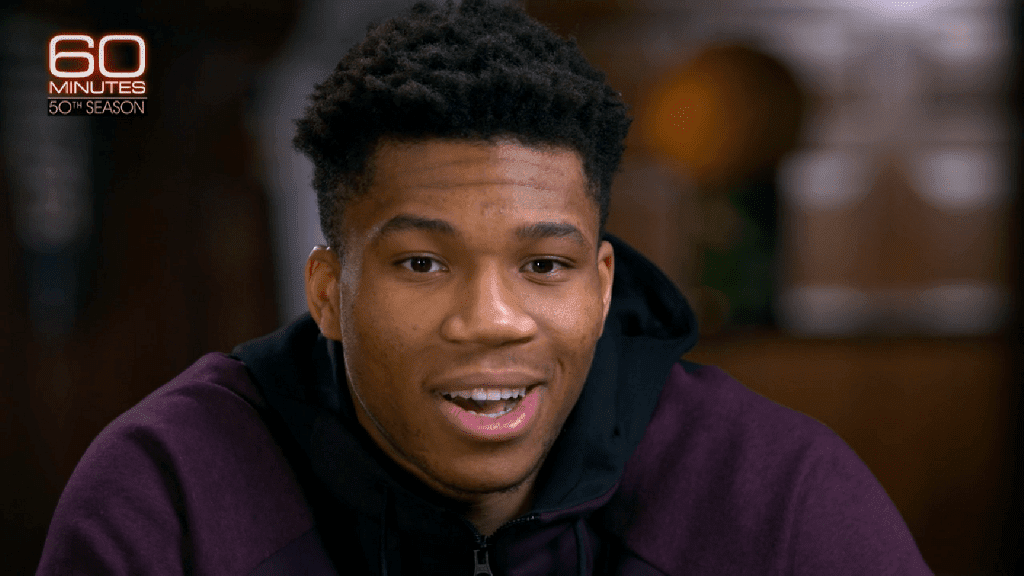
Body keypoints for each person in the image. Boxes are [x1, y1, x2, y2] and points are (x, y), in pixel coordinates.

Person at [36, 1, 933, 574]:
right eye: (422, 264)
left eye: (544, 266)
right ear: (328, 293)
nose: (491, 321)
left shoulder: (779, 497)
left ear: (602, 286)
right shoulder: (168, 497)